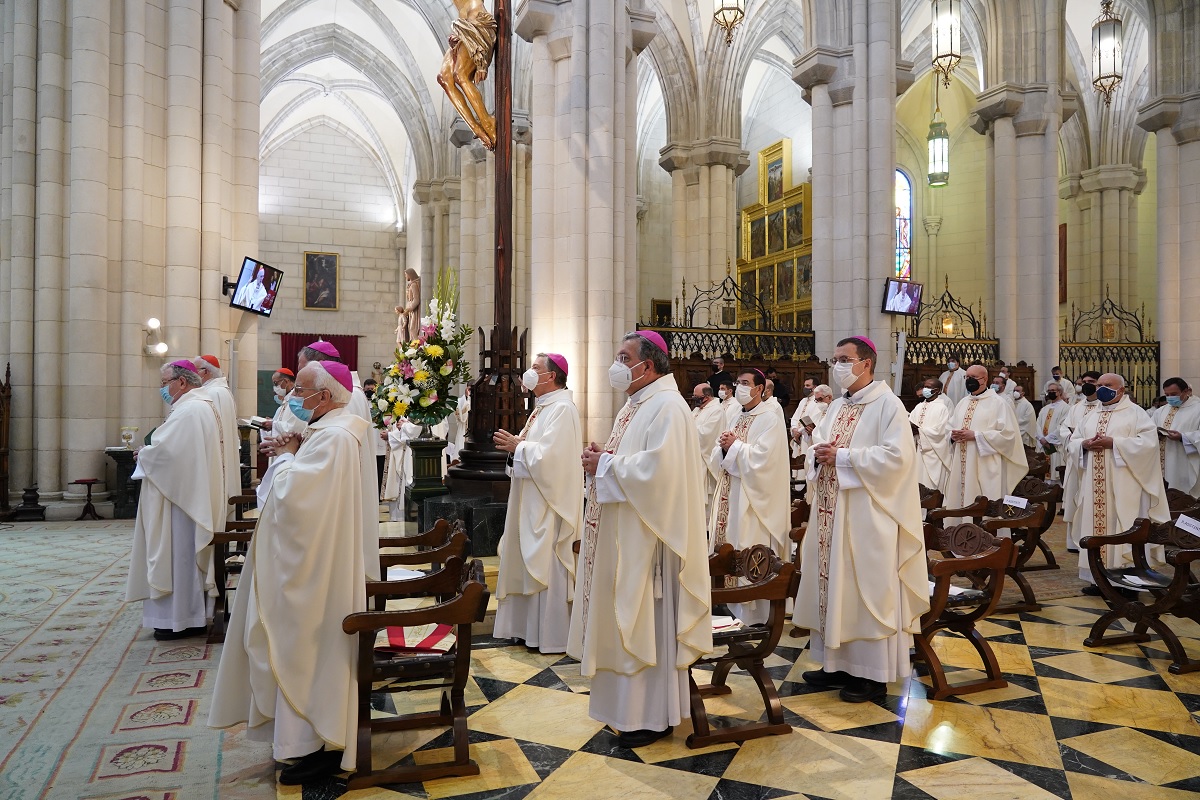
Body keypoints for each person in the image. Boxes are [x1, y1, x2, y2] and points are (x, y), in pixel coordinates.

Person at [209, 361, 368, 785]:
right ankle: (300, 743)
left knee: (308, 651)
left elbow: (295, 500)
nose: (294, 397)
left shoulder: (335, 437)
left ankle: (316, 743)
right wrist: (293, 452)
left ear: (327, 395)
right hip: (312, 563)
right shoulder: (326, 432)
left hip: (315, 573)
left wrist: (283, 459)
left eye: (301, 389)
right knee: (299, 651)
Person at [573, 331, 712, 748]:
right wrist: (604, 460)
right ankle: (623, 711)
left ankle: (650, 716)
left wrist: (607, 464)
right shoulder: (635, 406)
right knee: (621, 622)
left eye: (623, 357)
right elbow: (632, 461)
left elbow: (660, 475)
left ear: (647, 365)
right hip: (624, 537)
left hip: (648, 544)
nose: (617, 364)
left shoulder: (667, 407)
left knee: (643, 624)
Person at [795, 336, 928, 704]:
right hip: (830, 513)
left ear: (866, 363)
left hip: (870, 515)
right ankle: (835, 664)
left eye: (844, 359)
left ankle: (872, 674)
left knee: (866, 589)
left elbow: (898, 459)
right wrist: (817, 454)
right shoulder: (837, 405)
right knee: (834, 585)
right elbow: (819, 445)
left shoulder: (888, 405)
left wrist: (843, 457)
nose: (837, 365)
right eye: (835, 359)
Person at [126, 361, 226, 641]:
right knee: (182, 560)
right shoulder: (198, 406)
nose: (162, 389)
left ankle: (179, 619)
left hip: (181, 503)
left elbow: (170, 455)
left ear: (182, 382)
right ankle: (188, 615)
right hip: (186, 496)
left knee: (177, 558)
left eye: (164, 382)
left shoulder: (191, 409)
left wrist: (144, 454)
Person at [491, 354, 583, 653]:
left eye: (536, 368)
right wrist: (516, 450)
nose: (529, 373)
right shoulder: (541, 409)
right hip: (529, 499)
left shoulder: (563, 409)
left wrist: (520, 447)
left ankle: (549, 635)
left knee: (544, 561)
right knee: (524, 558)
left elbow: (554, 459)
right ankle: (523, 629)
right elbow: (531, 451)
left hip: (548, 504)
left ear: (552, 376)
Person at [1066, 373, 1170, 589]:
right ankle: (1098, 580)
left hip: (1125, 486)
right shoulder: (1091, 414)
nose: (1102, 388)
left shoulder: (1136, 414)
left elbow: (1149, 444)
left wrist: (1114, 443)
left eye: (1108, 385)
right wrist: (1083, 445)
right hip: (1093, 485)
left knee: (1123, 526)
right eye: (1100, 385)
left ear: (1121, 390)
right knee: (1094, 527)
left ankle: (1127, 584)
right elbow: (1073, 441)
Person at [290, 340, 381, 580]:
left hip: (338, 490)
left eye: (303, 367)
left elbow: (332, 444)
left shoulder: (344, 397)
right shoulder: (352, 393)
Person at [708, 369, 790, 625]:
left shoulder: (770, 419)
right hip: (730, 492)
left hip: (752, 498)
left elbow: (765, 460)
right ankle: (725, 600)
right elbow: (718, 452)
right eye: (738, 382)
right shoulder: (735, 416)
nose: (740, 387)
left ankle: (753, 609)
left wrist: (735, 447)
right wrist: (723, 447)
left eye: (745, 383)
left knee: (748, 542)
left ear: (759, 389)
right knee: (728, 541)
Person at [942, 364, 1028, 516]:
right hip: (961, 464)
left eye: (973, 378)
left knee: (985, 504)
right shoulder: (962, 403)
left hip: (986, 465)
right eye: (967, 377)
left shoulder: (999, 403)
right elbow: (950, 427)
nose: (969, 380)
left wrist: (976, 436)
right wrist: (952, 436)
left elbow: (1008, 436)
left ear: (985, 379)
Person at [437, 0, 498, 149]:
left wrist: (481, 64)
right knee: (443, 78)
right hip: (464, 25)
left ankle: (487, 122)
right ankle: (476, 128)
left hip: (478, 23)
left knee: (460, 75)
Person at [1060, 371, 1102, 551]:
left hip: (1098, 461)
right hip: (1077, 458)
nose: (1086, 385)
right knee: (1074, 498)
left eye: (1091, 381)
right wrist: (1075, 439)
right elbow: (1063, 429)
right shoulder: (1075, 407)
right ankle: (1073, 543)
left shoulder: (1105, 406)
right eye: (1084, 381)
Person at [192, 355, 241, 502]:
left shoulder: (213, 393)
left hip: (216, 455)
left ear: (206, 371)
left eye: (195, 371)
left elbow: (211, 428)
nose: (193, 375)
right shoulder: (220, 390)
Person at [1153, 377, 1200, 495]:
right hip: (1161, 458)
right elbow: (1149, 429)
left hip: (1183, 460)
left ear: (1186, 391)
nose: (1170, 398)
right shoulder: (1160, 411)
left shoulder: (1197, 409)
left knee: (1182, 495)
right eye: (1167, 394)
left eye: (1173, 394)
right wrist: (1155, 433)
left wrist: (1182, 437)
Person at [910, 378, 951, 491]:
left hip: (932, 454)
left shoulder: (942, 409)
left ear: (937, 390)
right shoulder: (918, 407)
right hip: (917, 450)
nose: (925, 389)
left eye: (928, 387)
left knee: (928, 487)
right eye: (924, 387)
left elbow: (941, 432)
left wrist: (920, 431)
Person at [691, 383, 725, 520]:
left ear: (706, 397)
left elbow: (706, 435)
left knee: (705, 499)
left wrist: (685, 431)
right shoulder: (697, 410)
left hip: (704, 461)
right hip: (693, 458)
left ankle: (706, 529)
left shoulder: (716, 410)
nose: (694, 399)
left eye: (696, 396)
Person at [380, 417, 422, 522]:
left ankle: (404, 517)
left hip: (408, 452)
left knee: (404, 481)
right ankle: (397, 518)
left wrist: (391, 434)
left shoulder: (420, 407)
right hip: (399, 451)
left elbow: (417, 430)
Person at [1035, 382, 1069, 479]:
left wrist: (1048, 439)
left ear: (1059, 392)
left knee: (1055, 474)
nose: (1050, 393)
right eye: (1049, 391)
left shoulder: (1066, 408)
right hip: (1043, 445)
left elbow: (1063, 426)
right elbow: (1037, 425)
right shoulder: (1044, 409)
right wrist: (1041, 439)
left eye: (1053, 391)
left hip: (1054, 446)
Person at [395, 268, 422, 344]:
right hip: (411, 311)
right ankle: (413, 347)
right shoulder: (411, 284)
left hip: (414, 311)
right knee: (410, 329)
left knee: (413, 329)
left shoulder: (414, 285)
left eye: (406, 275)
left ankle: (417, 347)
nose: (405, 276)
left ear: (410, 275)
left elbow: (416, 300)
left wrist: (408, 309)